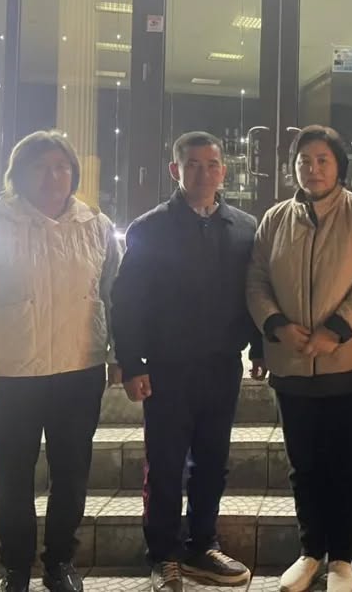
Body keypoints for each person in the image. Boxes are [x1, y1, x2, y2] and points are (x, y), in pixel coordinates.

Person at [0, 130, 122, 592]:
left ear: (74, 174)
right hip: (12, 374)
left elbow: (116, 295)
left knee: (71, 472)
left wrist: (120, 354)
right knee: (13, 472)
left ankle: (60, 562)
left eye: (62, 167)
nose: (53, 176)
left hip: (78, 370)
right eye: (42, 167)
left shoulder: (96, 226)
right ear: (20, 174)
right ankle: (15, 565)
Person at [110, 132, 266, 592]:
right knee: (165, 463)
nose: (203, 173)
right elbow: (127, 301)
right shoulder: (150, 228)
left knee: (213, 461)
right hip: (166, 367)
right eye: (192, 165)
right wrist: (131, 362)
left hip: (222, 364)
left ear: (224, 171)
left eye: (212, 164)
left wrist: (260, 347)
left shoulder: (245, 228)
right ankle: (163, 554)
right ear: (175, 170)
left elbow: (254, 292)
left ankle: (202, 544)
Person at [246, 126, 352, 592]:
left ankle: (342, 559)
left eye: (322, 159)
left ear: (339, 165)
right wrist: (277, 325)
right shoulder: (274, 219)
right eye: (304, 160)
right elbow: (256, 280)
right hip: (292, 366)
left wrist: (338, 330)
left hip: (351, 364)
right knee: (303, 465)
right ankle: (311, 552)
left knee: (347, 466)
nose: (313, 168)